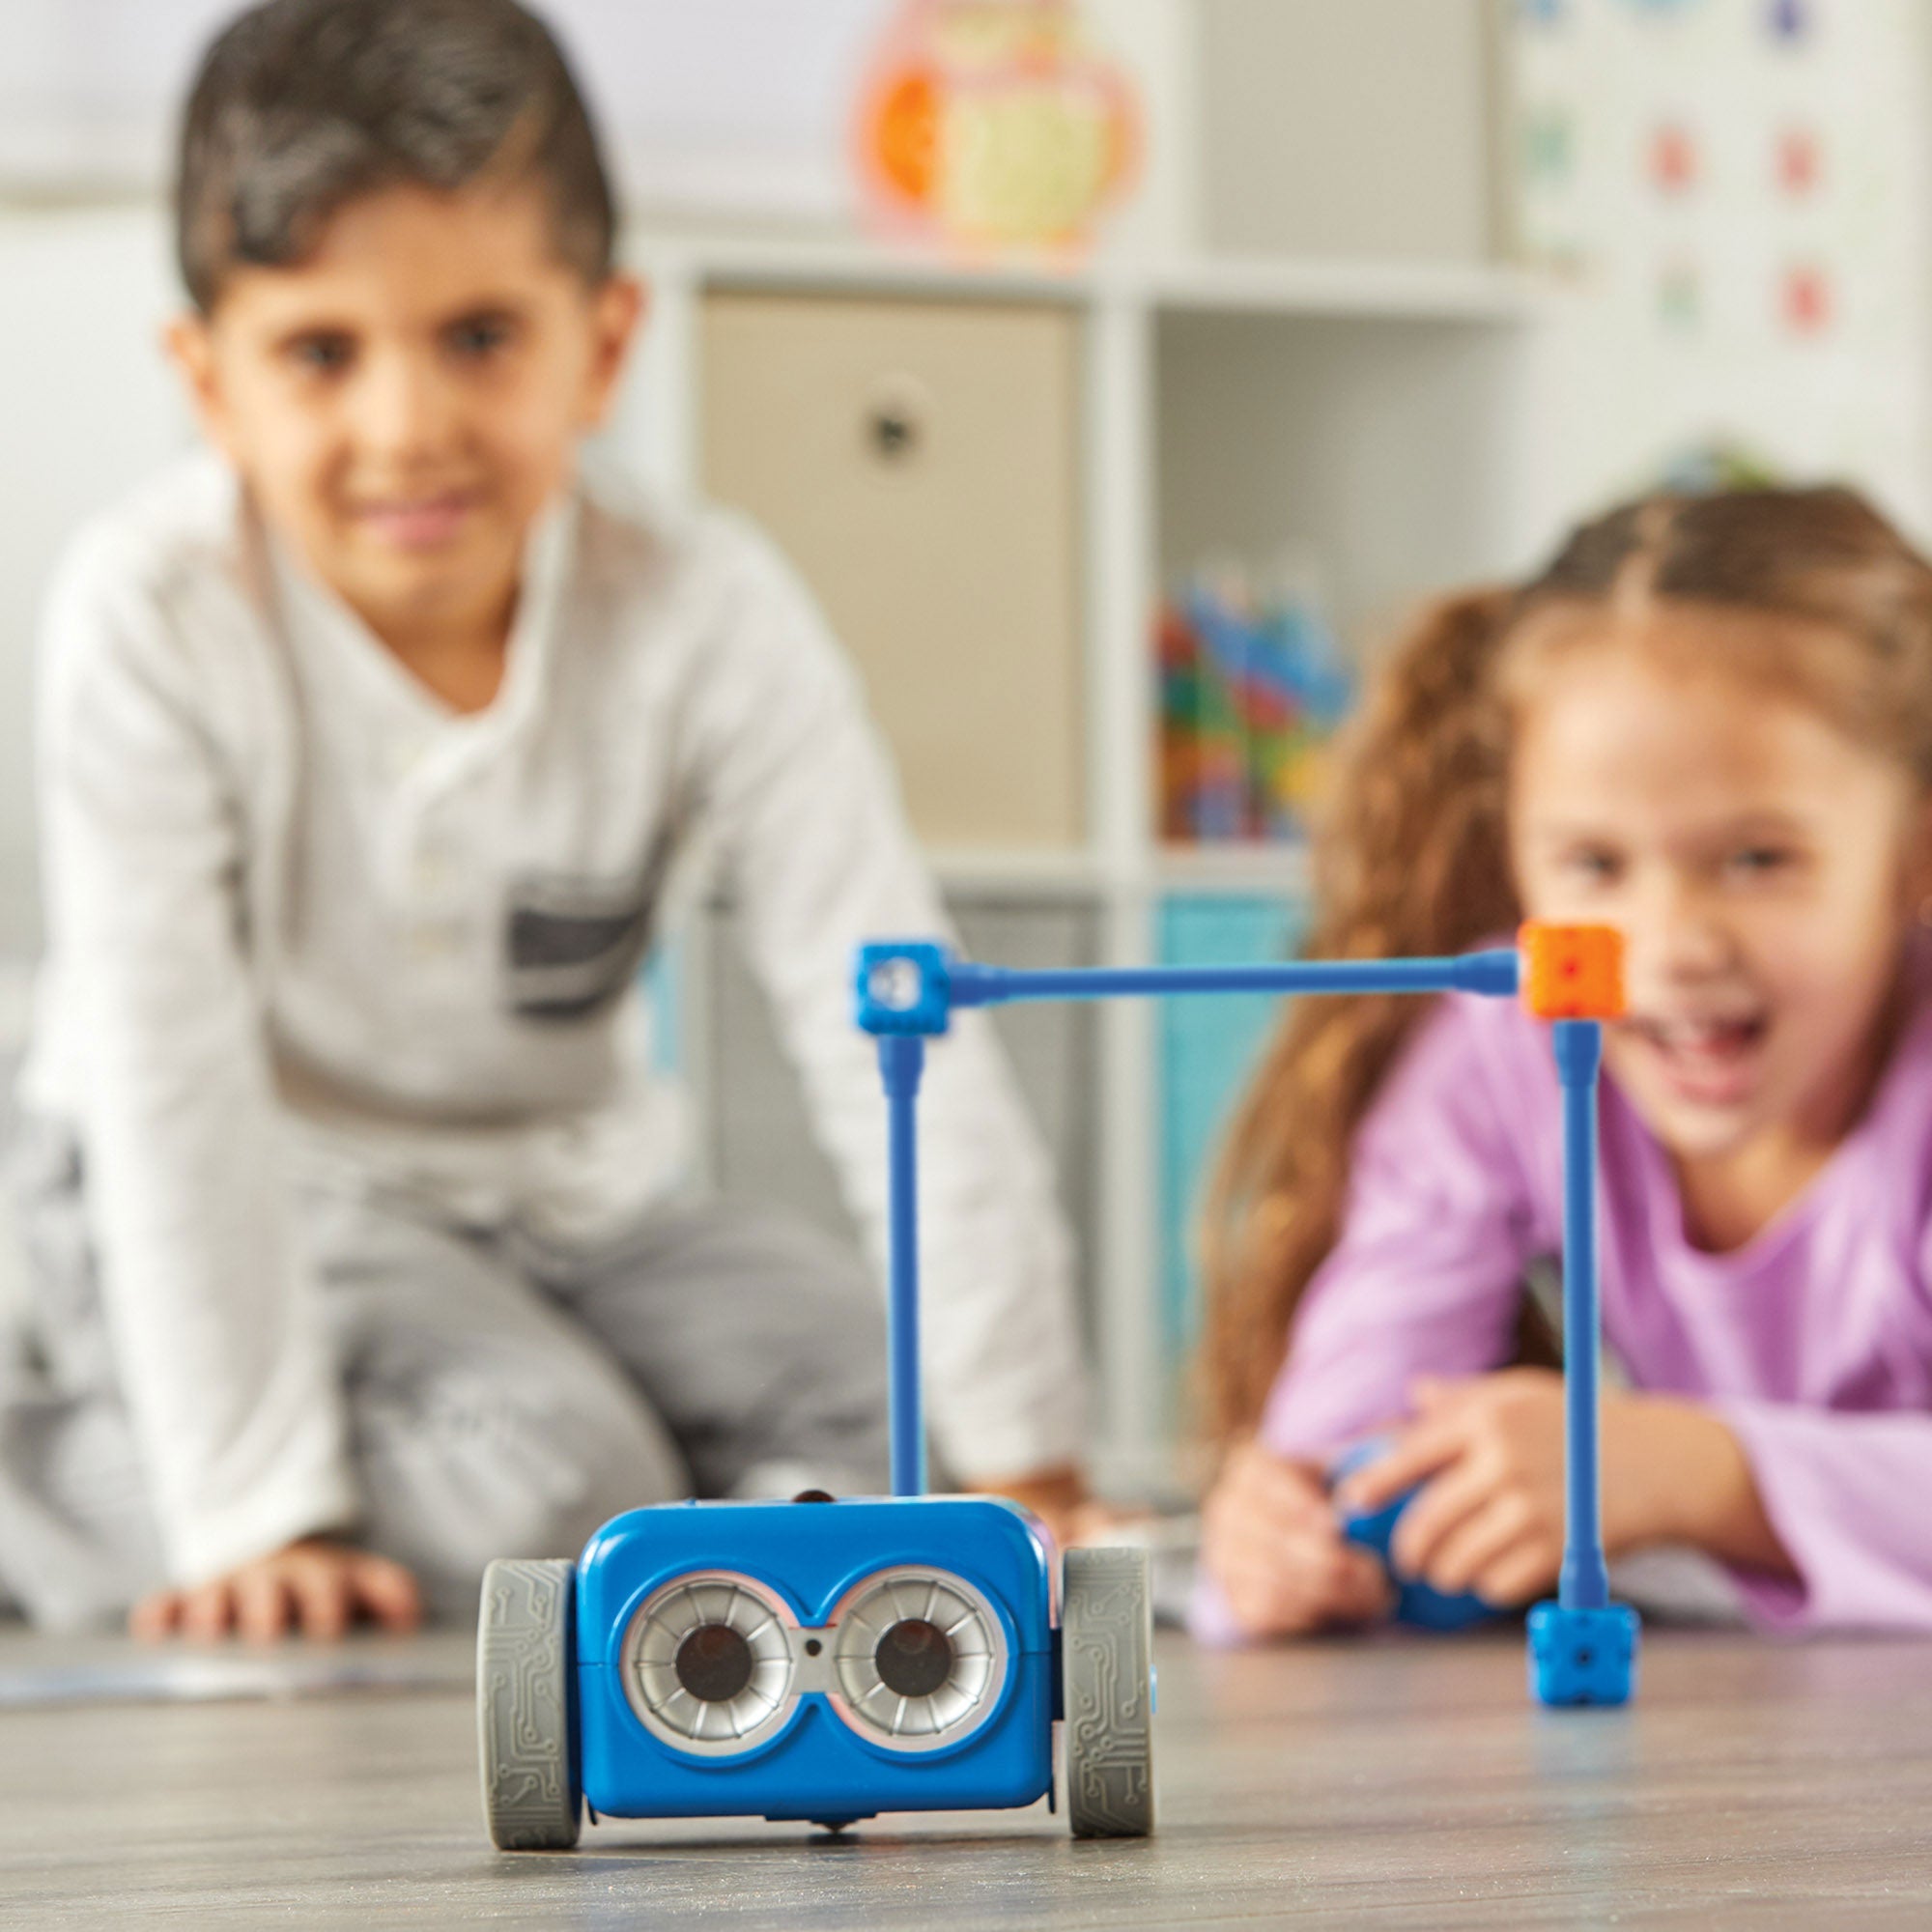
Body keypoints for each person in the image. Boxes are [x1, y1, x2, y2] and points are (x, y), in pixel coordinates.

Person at [0, 0, 1086, 1639]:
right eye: (320, 354)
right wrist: (258, 1511)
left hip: (559, 1216)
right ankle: (58, 1473)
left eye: (482, 337)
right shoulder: (153, 613)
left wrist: (1031, 1453)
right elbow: (173, 1086)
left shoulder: (706, 610)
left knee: (900, 1422)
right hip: (235, 1189)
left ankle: (602, 1495)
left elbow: (895, 1014)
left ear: (607, 341)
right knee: (553, 1481)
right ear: (207, 382)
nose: (406, 428)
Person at [1196, 486, 1932, 1641]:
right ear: (1517, 862)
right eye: (1593, 862)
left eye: (1755, 857)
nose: (1673, 947)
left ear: (1911, 856)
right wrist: (1285, 1536)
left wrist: (1699, 1471)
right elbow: (1348, 1439)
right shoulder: (1509, 1046)